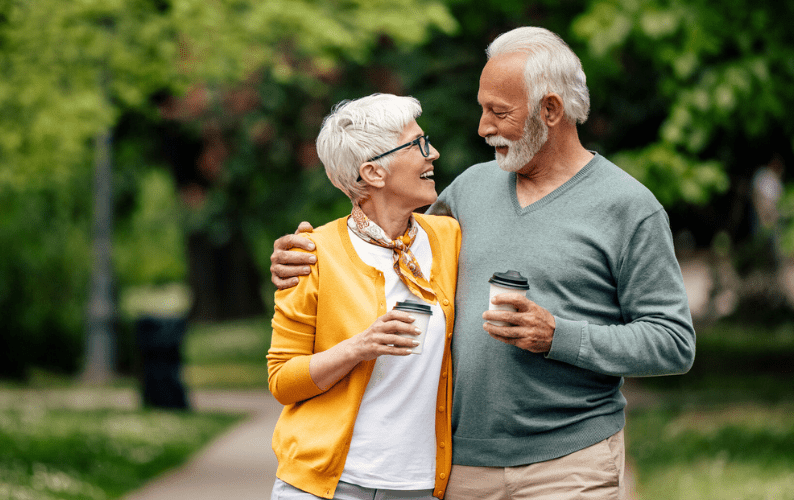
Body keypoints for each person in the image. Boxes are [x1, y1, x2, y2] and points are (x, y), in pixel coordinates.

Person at [270, 27, 695, 500]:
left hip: (570, 462)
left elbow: (673, 342)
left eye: (499, 112)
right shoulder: (468, 190)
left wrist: (559, 336)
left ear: (550, 110)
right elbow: (388, 241)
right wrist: (300, 255)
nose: (482, 127)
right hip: (461, 468)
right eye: (482, 108)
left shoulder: (628, 207)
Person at [267, 93, 461, 500]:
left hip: (419, 486)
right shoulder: (311, 254)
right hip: (325, 485)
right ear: (373, 172)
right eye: (419, 145)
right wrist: (360, 346)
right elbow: (283, 381)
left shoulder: (449, 239)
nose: (434, 154)